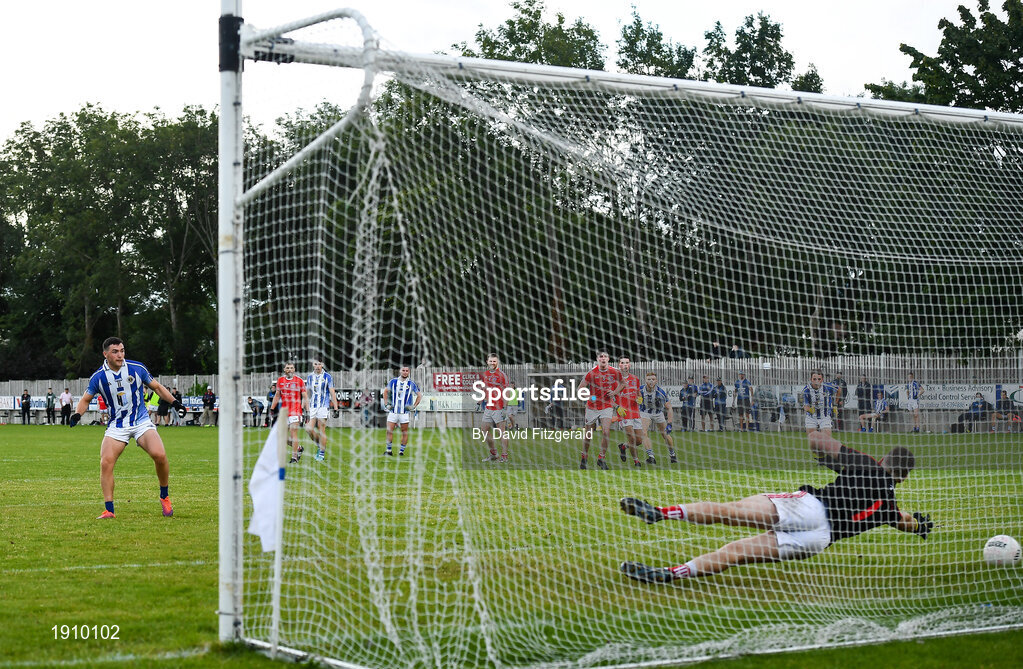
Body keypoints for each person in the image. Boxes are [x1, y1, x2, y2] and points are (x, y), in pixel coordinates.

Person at [618, 431, 930, 583]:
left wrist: (829, 460)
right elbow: (903, 521)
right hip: (818, 541)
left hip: (810, 507)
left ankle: (661, 513)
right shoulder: (890, 505)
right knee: (736, 552)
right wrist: (919, 525)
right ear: (902, 478)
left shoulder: (866, 464)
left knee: (732, 512)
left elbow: (816, 438)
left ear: (883, 460)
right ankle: (671, 574)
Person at [70, 336, 186, 519]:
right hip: (117, 425)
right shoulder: (98, 377)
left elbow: (156, 387)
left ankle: (164, 496)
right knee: (106, 462)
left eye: (122, 350)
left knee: (160, 455)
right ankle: (109, 509)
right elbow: (85, 399)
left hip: (141, 421)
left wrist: (175, 402)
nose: (120, 355)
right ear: (105, 354)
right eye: (115, 351)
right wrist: (77, 414)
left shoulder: (137, 368)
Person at [578, 351, 623, 470]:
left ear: (608, 359)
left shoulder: (614, 372)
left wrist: (614, 392)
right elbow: (580, 389)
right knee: (588, 434)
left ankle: (601, 458)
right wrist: (589, 397)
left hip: (606, 406)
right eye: (600, 356)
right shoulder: (591, 373)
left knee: (606, 432)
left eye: (605, 356)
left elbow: (623, 383)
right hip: (592, 407)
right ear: (597, 359)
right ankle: (584, 456)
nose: (603, 358)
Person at [270, 362, 309, 463]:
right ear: (284, 369)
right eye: (287, 368)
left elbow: (305, 397)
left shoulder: (299, 381)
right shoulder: (280, 380)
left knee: (293, 433)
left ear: (294, 369)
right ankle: (299, 448)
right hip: (284, 411)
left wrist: (307, 411)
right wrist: (272, 408)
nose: (289, 370)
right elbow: (277, 395)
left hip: (296, 411)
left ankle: (294, 457)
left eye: (291, 368)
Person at [638, 372, 677, 464]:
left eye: (653, 379)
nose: (651, 381)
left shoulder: (661, 393)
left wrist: (670, 423)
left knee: (665, 434)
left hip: (658, 413)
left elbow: (669, 408)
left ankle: (672, 454)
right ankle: (651, 457)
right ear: (645, 380)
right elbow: (634, 402)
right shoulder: (639, 390)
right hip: (645, 412)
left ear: (656, 381)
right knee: (643, 432)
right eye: (649, 379)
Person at [383, 365, 422, 457]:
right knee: (389, 431)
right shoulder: (393, 381)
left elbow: (420, 395)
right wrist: (386, 404)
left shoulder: (411, 383)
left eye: (406, 371)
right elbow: (385, 392)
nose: (405, 372)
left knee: (404, 432)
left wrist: (414, 406)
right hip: (393, 412)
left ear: (409, 372)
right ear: (400, 371)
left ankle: (401, 452)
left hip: (404, 413)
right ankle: (389, 451)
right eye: (403, 370)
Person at [613, 357, 644, 467]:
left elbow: (638, 393)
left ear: (629, 365)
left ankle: (623, 447)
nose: (625, 365)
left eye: (627, 363)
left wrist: (640, 398)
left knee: (639, 441)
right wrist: (617, 407)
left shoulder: (635, 378)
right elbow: (607, 398)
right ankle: (636, 461)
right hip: (624, 413)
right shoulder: (614, 380)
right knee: (632, 438)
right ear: (619, 365)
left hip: (635, 412)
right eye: (622, 363)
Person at [305, 359, 338, 461]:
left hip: (324, 406)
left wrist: (336, 407)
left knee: (321, 429)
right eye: (316, 364)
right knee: (308, 429)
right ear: (313, 365)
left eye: (319, 364)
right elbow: (306, 393)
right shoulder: (310, 377)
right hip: (313, 406)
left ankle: (321, 454)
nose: (318, 366)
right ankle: (320, 446)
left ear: (322, 365)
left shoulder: (327, 376)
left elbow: (332, 392)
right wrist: (305, 407)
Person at [802, 370, 836, 436]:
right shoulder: (806, 390)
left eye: (819, 379)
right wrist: (809, 409)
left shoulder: (828, 387)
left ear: (822, 380)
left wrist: (836, 403)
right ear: (811, 379)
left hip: (825, 417)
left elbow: (839, 389)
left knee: (826, 440)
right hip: (811, 417)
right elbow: (805, 406)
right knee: (813, 441)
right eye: (814, 379)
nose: (817, 381)